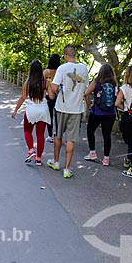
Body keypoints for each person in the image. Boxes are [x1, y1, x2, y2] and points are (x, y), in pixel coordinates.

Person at [47, 45, 89, 178]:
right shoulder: (84, 69)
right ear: (74, 55)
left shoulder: (62, 68)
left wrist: (60, 88)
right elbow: (85, 90)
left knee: (58, 135)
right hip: (76, 109)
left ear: (65, 55)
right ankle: (67, 169)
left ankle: (56, 162)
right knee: (71, 139)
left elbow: (53, 88)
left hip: (61, 107)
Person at [12, 60, 55, 166]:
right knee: (40, 135)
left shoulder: (28, 82)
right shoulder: (45, 82)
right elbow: (51, 96)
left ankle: (31, 150)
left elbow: (22, 97)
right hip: (43, 110)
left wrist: (15, 110)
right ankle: (39, 159)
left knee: (27, 131)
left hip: (31, 110)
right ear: (41, 70)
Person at [84, 63, 118, 166]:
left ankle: (92, 153)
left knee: (90, 130)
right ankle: (106, 159)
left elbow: (86, 93)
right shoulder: (114, 83)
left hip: (97, 112)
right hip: (111, 113)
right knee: (107, 135)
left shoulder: (97, 81)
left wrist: (89, 105)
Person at [43, 53, 61, 143]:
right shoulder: (59, 71)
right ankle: (57, 134)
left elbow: (42, 84)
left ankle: (50, 135)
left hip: (47, 96)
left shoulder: (46, 72)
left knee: (49, 115)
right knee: (57, 115)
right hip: (58, 95)